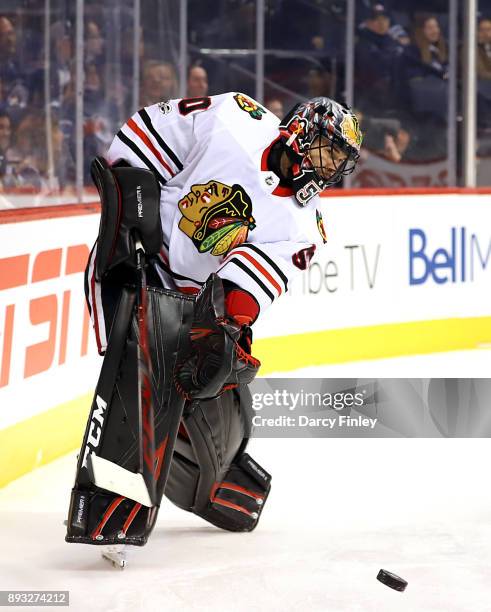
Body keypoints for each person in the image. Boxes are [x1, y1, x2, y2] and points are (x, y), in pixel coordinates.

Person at [66, 92, 362, 558]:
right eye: (329, 151)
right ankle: (110, 504)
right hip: (133, 259)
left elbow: (246, 285)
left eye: (339, 161)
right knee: (139, 379)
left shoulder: (303, 226)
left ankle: (218, 480)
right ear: (300, 133)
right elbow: (144, 137)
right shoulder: (236, 116)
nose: (330, 168)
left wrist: (226, 328)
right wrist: (128, 213)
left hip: (186, 298)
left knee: (215, 379)